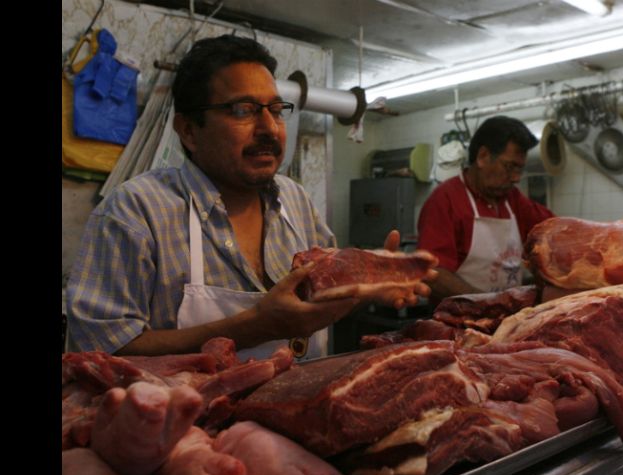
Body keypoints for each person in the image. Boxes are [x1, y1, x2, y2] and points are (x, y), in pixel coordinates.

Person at [66, 35, 430, 360]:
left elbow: (325, 294)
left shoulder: (296, 201)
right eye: (243, 110)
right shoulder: (135, 211)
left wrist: (366, 288)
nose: (269, 128)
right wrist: (254, 328)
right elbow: (99, 352)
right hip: (189, 416)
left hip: (298, 410)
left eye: (276, 110)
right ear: (189, 131)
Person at [417, 116, 555, 301]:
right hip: (458, 316)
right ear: (483, 156)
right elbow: (433, 273)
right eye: (510, 167)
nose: (516, 178)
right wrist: (488, 304)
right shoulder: (445, 200)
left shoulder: (512, 199)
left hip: (508, 314)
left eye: (520, 169)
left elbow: (552, 231)